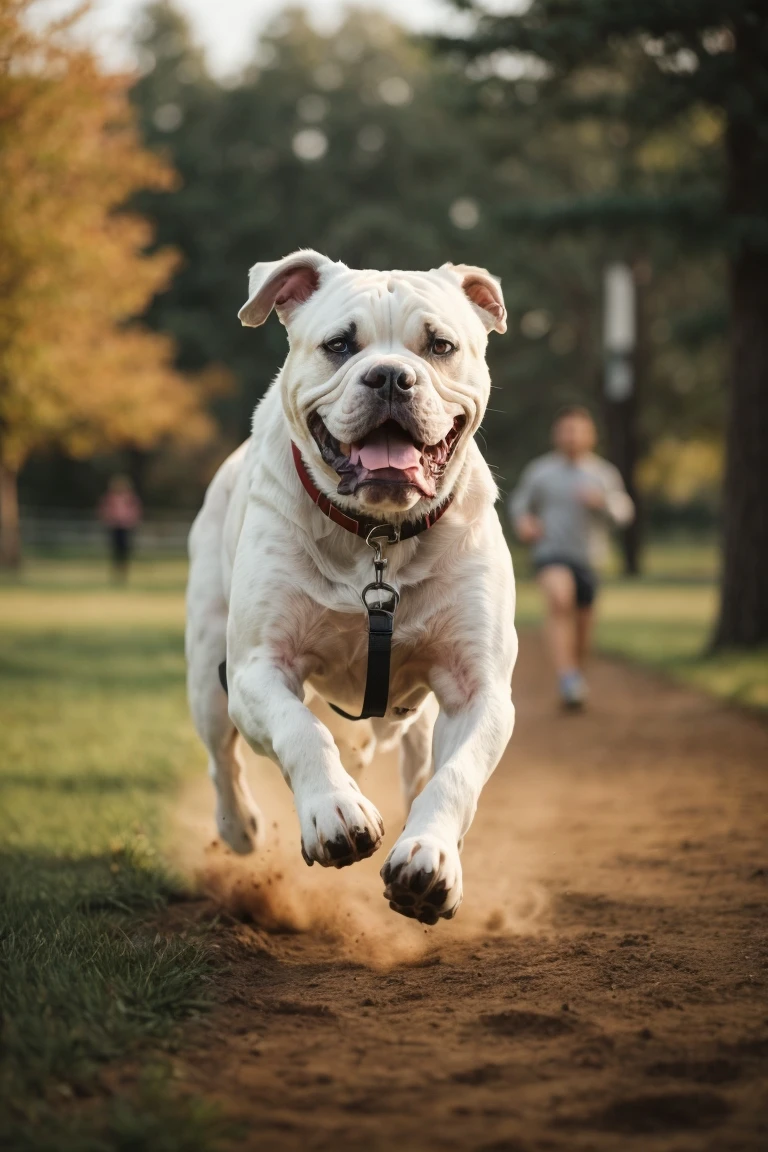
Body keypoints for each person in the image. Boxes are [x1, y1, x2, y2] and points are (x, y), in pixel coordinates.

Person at [509, 406, 634, 709]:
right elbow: (519, 505)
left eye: (577, 431)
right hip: (550, 553)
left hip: (589, 559)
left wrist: (602, 502)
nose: (571, 437)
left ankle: (574, 673)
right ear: (556, 434)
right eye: (566, 430)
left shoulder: (602, 473)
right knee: (559, 600)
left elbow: (625, 513)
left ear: (590, 436)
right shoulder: (541, 471)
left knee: (583, 627)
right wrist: (524, 522)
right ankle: (567, 677)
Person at [98, 474, 142, 582]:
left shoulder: (129, 498)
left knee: (125, 551)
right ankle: (116, 572)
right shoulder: (111, 497)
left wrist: (130, 521)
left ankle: (123, 572)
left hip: (126, 527)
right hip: (115, 527)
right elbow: (104, 510)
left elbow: (136, 510)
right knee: (115, 551)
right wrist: (110, 520)